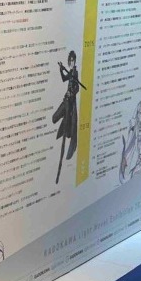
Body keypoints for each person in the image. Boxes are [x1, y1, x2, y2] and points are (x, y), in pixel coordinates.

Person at [52, 50, 82, 184]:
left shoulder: (75, 73)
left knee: (68, 127)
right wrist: (61, 70)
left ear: (75, 61)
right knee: (54, 117)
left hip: (71, 102)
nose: (71, 62)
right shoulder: (70, 72)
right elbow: (64, 79)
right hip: (66, 100)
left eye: (72, 61)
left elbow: (77, 88)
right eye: (70, 61)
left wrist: (73, 93)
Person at [119, 99, 141, 183]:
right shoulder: (134, 128)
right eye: (138, 113)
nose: (139, 115)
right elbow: (129, 144)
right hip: (134, 162)